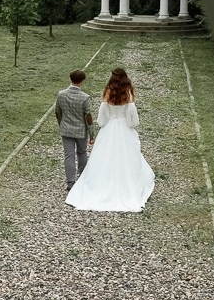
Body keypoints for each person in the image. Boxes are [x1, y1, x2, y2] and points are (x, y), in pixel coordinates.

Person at [65, 66, 155, 212]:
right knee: (128, 156)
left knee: (105, 156)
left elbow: (101, 119)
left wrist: (105, 123)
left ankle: (101, 185)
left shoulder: (108, 92)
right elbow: (133, 120)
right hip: (124, 129)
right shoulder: (128, 92)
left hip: (110, 127)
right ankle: (127, 185)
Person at [55, 68, 95, 190]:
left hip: (66, 129)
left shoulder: (61, 94)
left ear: (70, 79)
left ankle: (70, 182)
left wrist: (61, 124)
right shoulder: (85, 98)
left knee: (69, 155)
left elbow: (58, 112)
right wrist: (92, 134)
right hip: (81, 131)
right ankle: (82, 177)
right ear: (81, 81)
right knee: (82, 153)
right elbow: (88, 117)